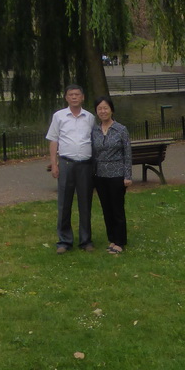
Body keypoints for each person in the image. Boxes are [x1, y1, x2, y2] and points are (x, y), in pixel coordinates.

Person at [46, 84, 95, 253]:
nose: (74, 97)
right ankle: (64, 241)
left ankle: (86, 240)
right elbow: (53, 140)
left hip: (85, 165)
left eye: (77, 94)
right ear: (66, 98)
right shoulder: (59, 116)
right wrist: (54, 164)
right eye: (71, 95)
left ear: (83, 97)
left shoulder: (89, 117)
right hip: (66, 164)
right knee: (64, 203)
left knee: (85, 203)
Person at [92, 95, 132, 254]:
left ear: (111, 110)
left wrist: (127, 175)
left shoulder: (121, 129)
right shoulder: (94, 130)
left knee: (117, 208)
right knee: (106, 208)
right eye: (100, 109)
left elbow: (127, 153)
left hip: (116, 173)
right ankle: (112, 238)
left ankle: (120, 241)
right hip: (100, 175)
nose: (103, 111)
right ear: (96, 112)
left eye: (105, 108)